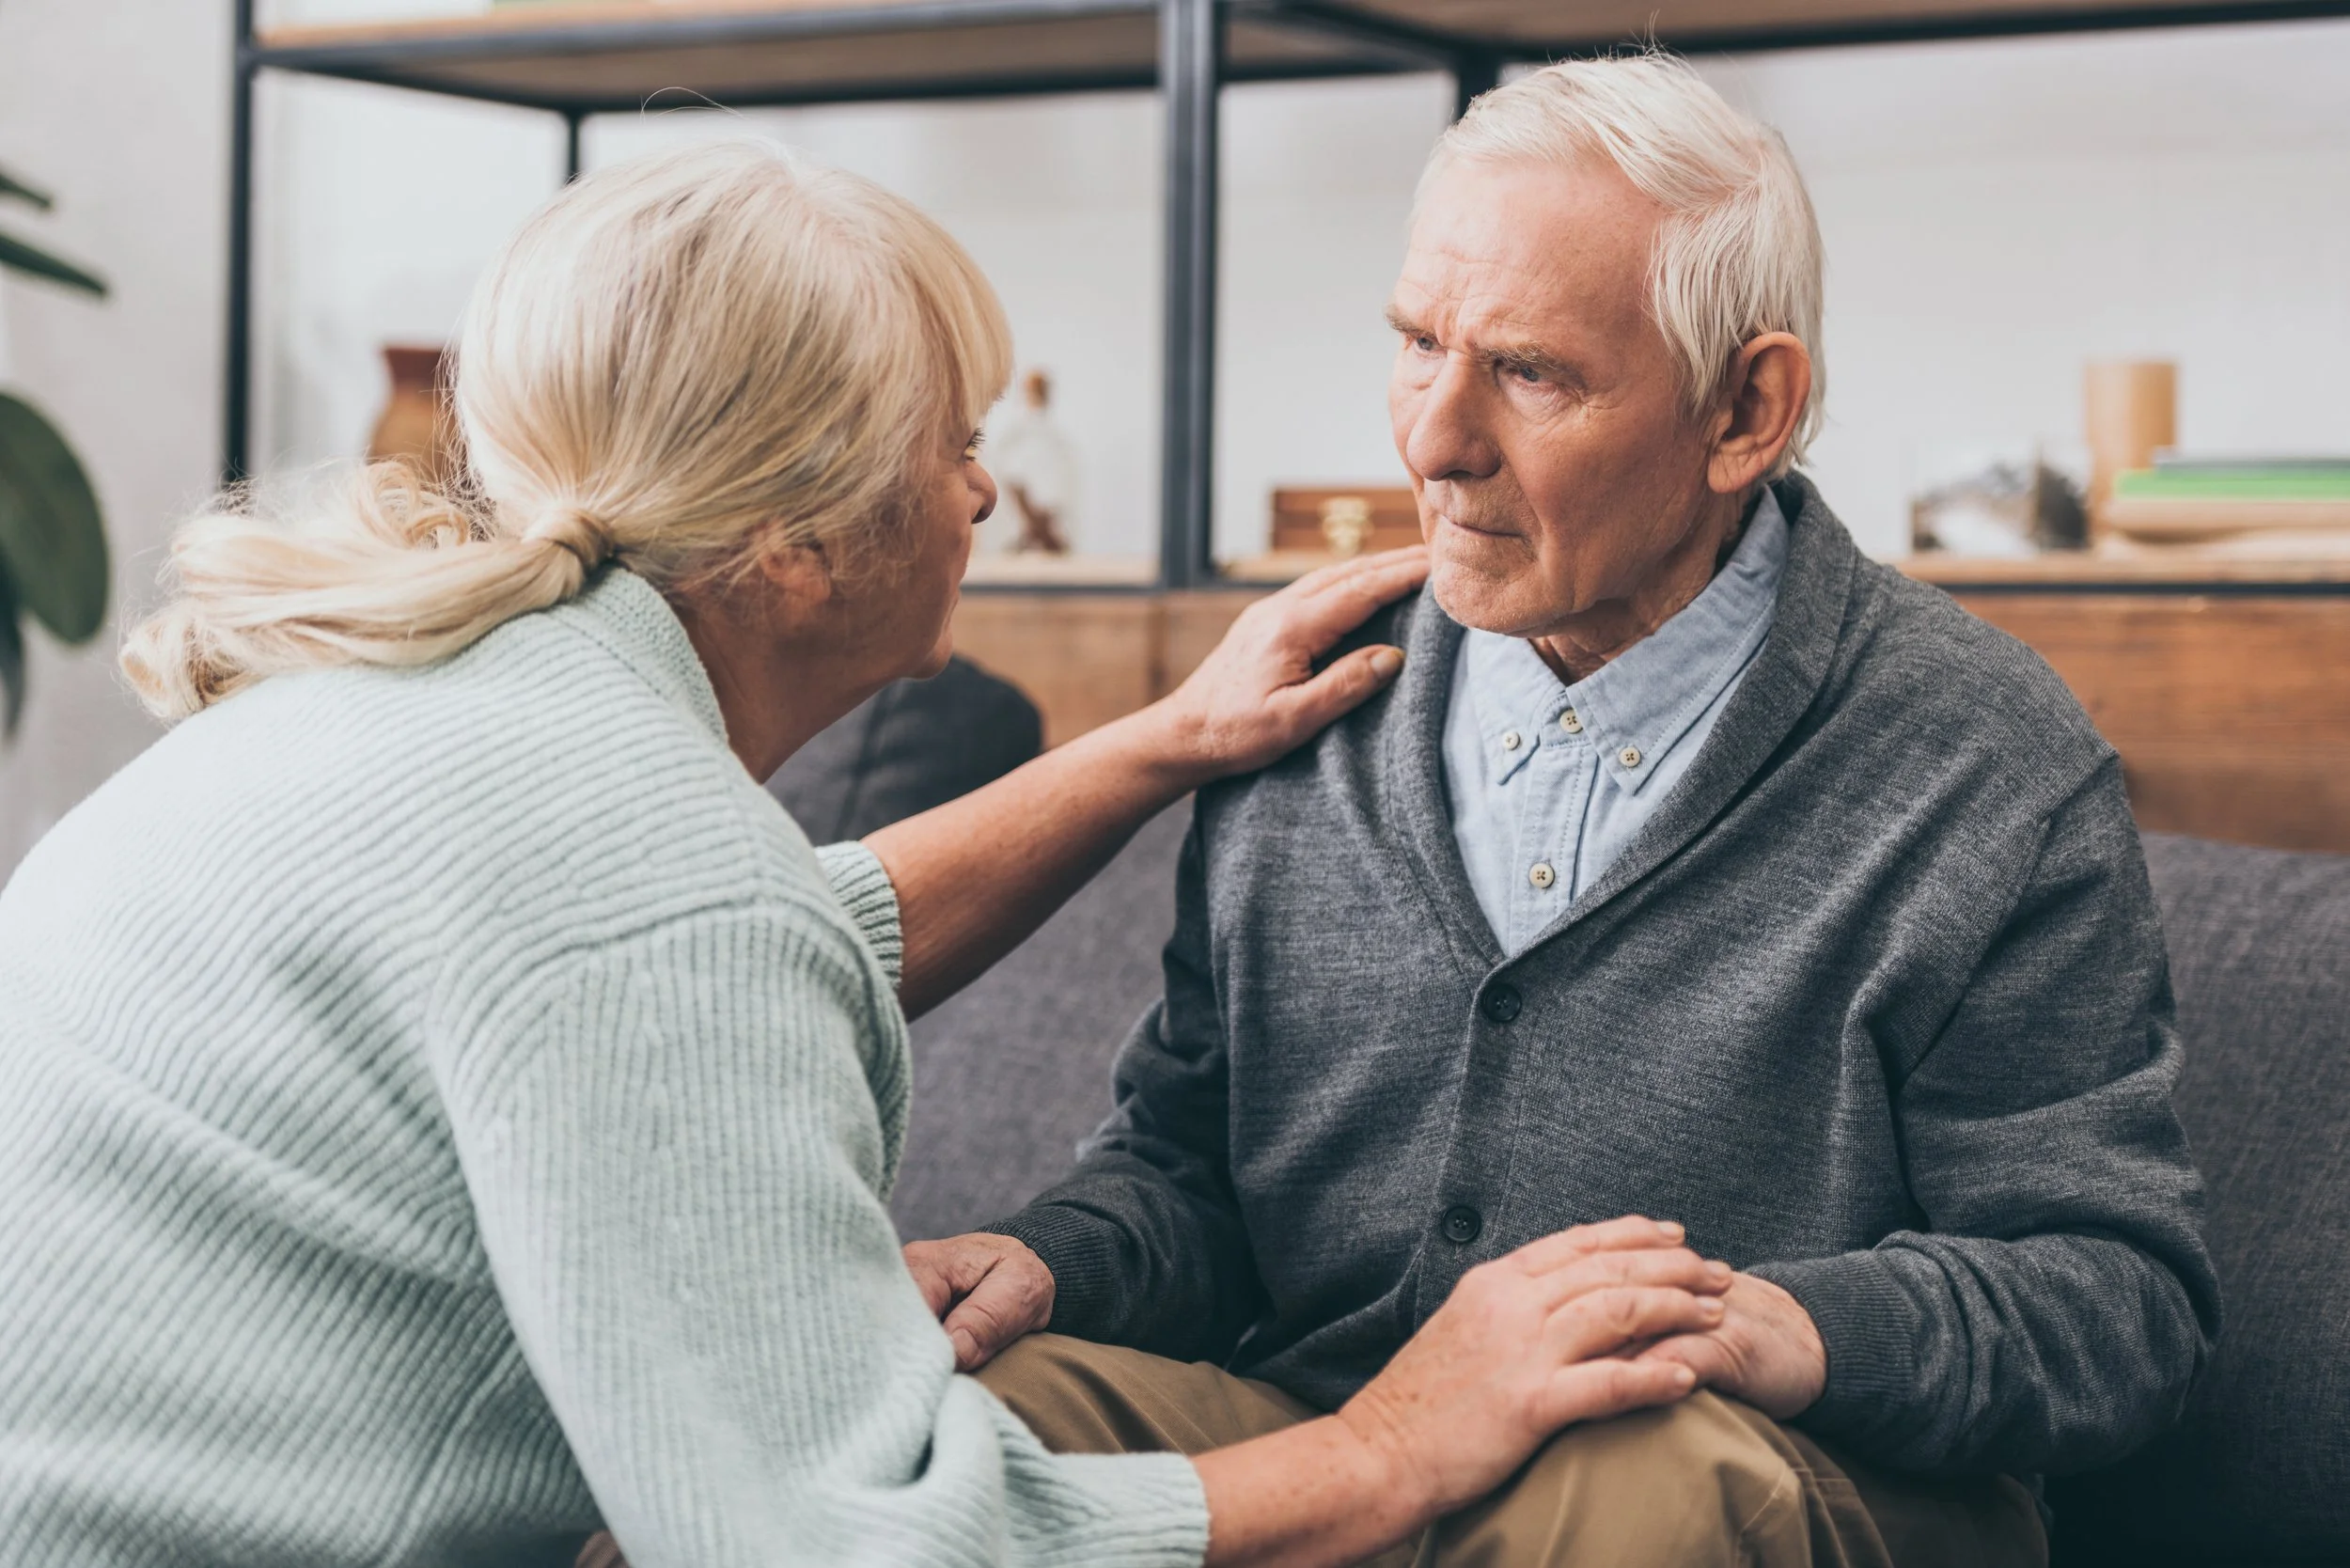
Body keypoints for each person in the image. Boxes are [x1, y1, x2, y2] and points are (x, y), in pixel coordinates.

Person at [0, 142, 1738, 1568]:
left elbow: (774, 942)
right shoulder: (645, 880)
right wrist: (1394, 1445)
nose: (985, 497)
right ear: (797, 550)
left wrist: (1152, 743)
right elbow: (862, 1550)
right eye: (954, 445)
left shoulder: (416, 711)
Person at [909, 55, 2222, 1568]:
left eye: (1531, 372)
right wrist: (1044, 1263)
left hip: (1769, 1471)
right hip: (1331, 1441)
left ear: (1747, 409)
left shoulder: (1984, 757)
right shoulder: (1311, 696)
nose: (1432, 440)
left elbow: (2122, 1304)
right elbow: (1187, 1176)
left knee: (1629, 1465)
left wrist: (1780, 1325)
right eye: (1417, 343)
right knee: (954, 1421)